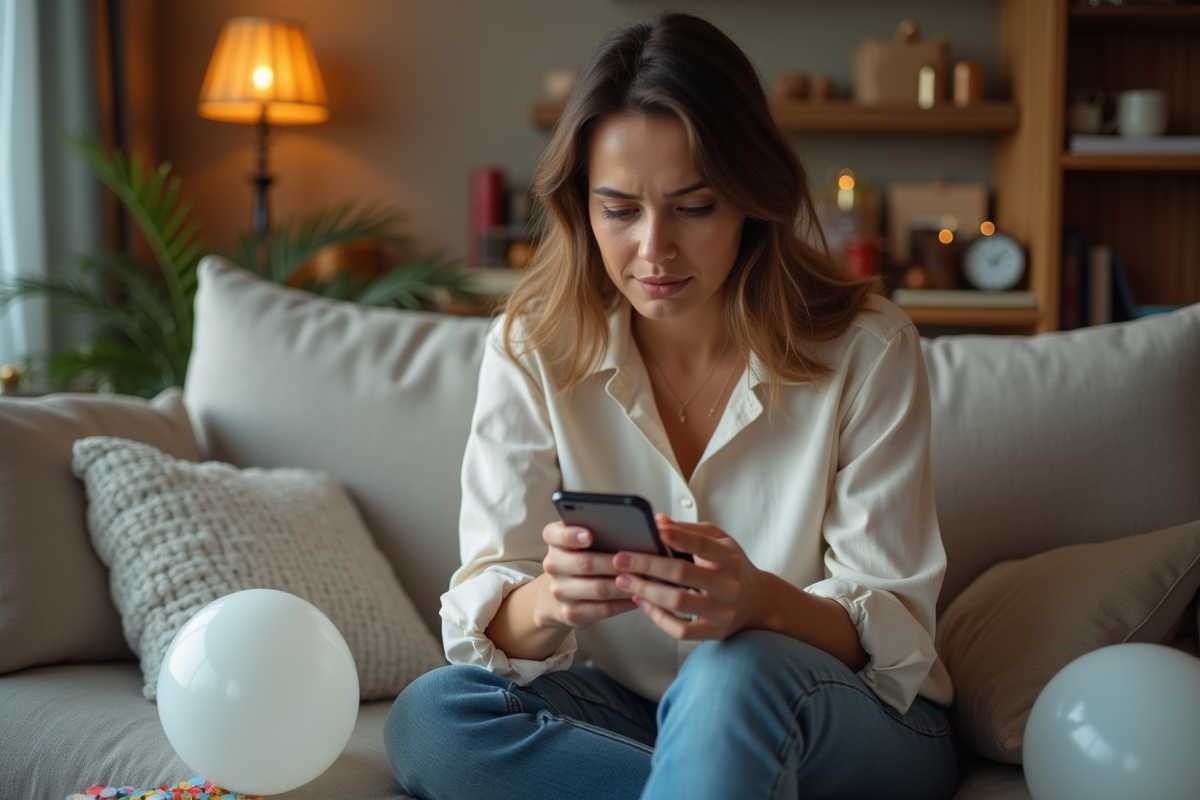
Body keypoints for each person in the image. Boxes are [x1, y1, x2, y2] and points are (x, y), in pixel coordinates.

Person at [385, 11, 956, 800]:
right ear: (580, 205)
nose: (654, 250)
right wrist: (554, 599)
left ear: (754, 199)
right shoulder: (532, 345)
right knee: (433, 719)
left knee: (736, 668)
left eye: (694, 208)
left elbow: (895, 634)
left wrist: (763, 603)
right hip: (630, 710)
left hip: (848, 714)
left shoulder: (868, 347)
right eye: (619, 210)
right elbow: (489, 616)